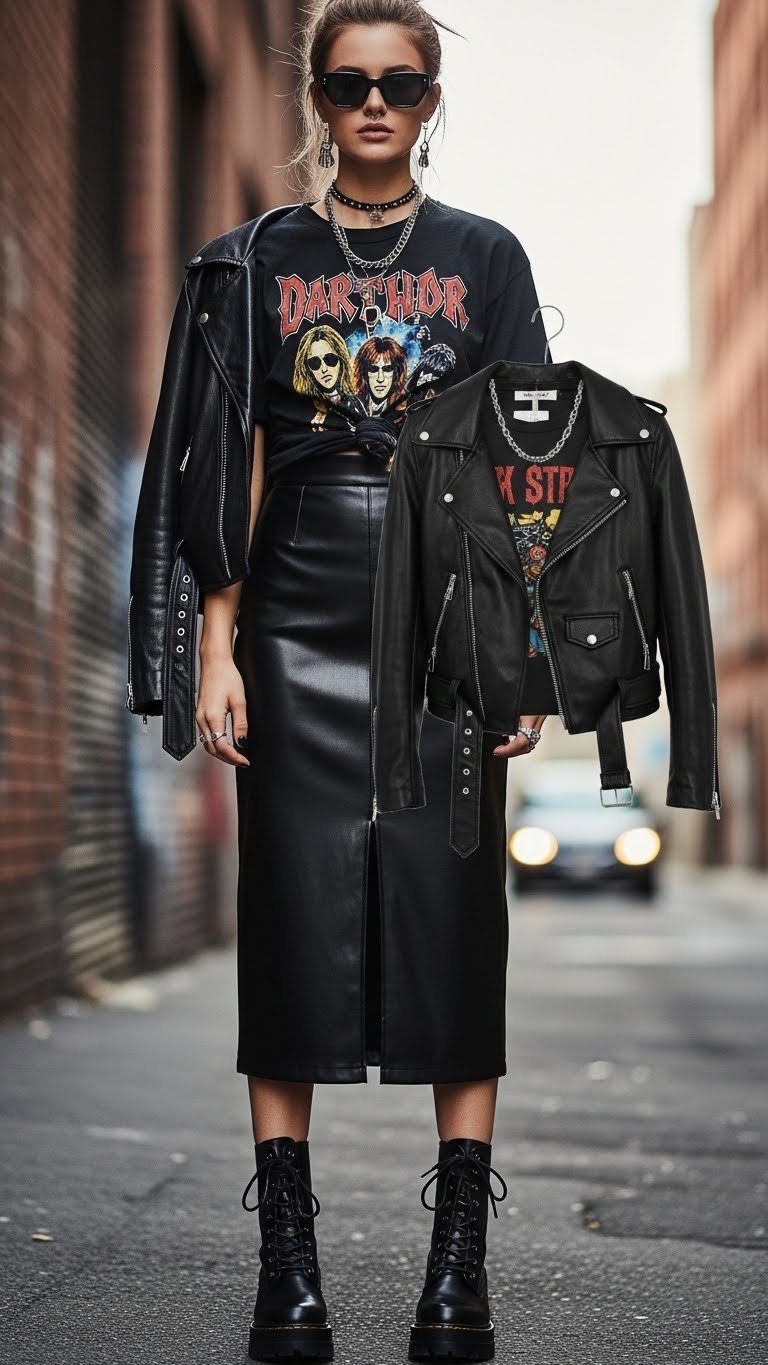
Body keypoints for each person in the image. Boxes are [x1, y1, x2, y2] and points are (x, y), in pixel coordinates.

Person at [184, 2, 550, 1359]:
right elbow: (235, 457)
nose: (376, 106)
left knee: (459, 921)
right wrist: (219, 643)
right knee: (289, 920)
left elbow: (526, 466)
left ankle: (460, 1268)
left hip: (448, 614)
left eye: (401, 84)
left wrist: (515, 651)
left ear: (433, 97)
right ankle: (291, 1266)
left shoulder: (484, 256)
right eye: (350, 85)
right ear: (318, 98)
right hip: (299, 613)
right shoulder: (261, 259)